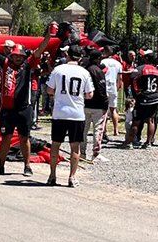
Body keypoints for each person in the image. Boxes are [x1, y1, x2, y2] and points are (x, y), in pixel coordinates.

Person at [0, 24, 53, 177]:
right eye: (15, 55)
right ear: (11, 55)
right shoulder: (5, 63)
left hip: (24, 109)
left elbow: (40, 49)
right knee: (5, 138)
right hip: (7, 109)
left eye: (20, 56)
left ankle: (27, 166)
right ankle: (1, 166)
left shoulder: (28, 65)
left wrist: (48, 36)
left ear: (24, 56)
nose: (18, 58)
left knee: (24, 138)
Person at [46, 46, 93, 187]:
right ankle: (72, 177)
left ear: (67, 55)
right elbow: (89, 94)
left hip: (60, 112)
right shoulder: (84, 72)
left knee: (55, 144)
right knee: (75, 146)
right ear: (80, 57)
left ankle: (52, 175)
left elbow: (49, 90)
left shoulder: (58, 70)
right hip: (76, 113)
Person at [130, 54, 158, 148]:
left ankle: (130, 142)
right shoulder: (157, 70)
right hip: (155, 97)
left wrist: (137, 93)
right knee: (151, 120)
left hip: (143, 97)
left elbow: (133, 79)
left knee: (136, 120)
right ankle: (148, 142)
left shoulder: (141, 69)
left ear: (146, 59)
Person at [83, 50, 109, 161]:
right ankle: (96, 154)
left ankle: (81, 153)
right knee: (98, 129)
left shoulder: (85, 70)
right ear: (98, 59)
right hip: (98, 104)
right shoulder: (98, 71)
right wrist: (105, 103)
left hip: (85, 103)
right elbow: (102, 89)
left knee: (83, 130)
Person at [100, 51, 124, 142]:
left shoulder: (103, 62)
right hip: (113, 86)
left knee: (104, 110)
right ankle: (116, 130)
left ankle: (104, 130)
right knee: (113, 109)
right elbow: (120, 78)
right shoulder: (118, 64)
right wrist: (117, 88)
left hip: (104, 86)